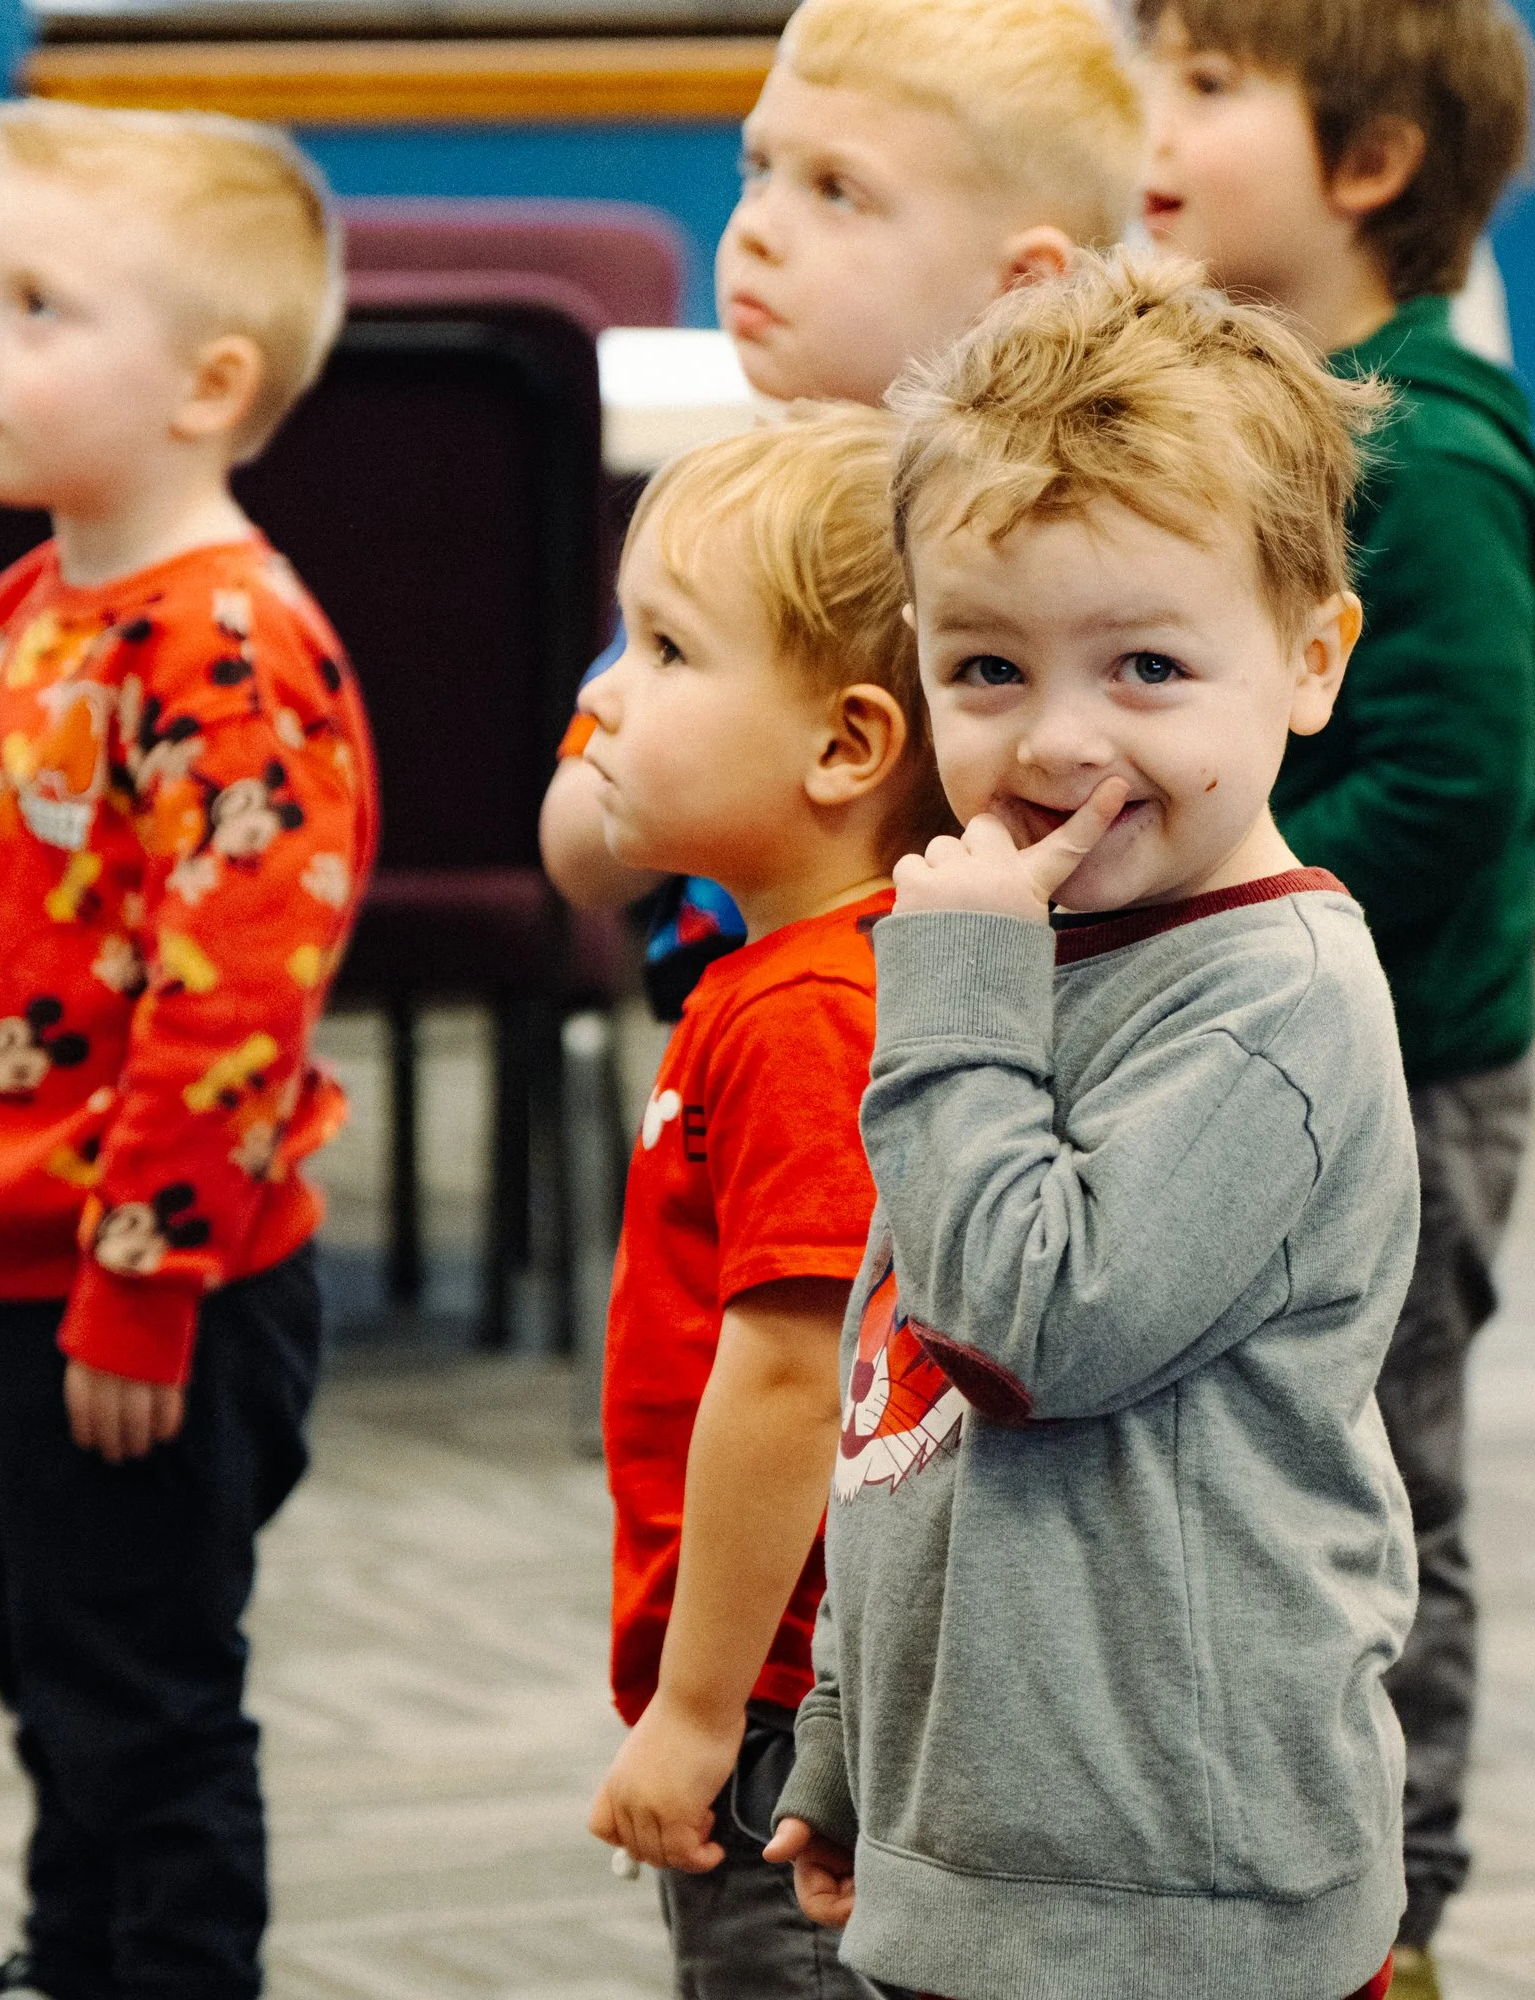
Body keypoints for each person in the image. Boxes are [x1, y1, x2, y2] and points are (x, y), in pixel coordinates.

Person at [760, 250, 1415, 2000]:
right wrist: (849, 1743)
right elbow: (892, 1396)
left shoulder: (1274, 1007)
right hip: (983, 1862)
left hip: (1174, 1911)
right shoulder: (1011, 962)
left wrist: (953, 1006)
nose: (1057, 741)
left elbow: (1028, 1332)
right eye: (985, 668)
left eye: (1144, 665)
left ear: (1307, 659)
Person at [0, 100, 375, 2000]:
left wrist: (136, 1281)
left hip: (150, 1290)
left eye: (36, 305)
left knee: (152, 1704)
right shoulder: (27, 610)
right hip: (2, 1267)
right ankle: (70, 1956)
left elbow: (233, 997)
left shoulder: (228, 648)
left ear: (208, 383)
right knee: (55, 1678)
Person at [1135, 5, 1535, 1988]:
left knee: (1373, 1493)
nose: (1151, 118)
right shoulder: (1258, 398)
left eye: (1207, 87)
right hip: (1261, 1051)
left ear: (1369, 166)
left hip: (1393, 1083)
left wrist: (1220, 924)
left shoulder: (1428, 445)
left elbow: (1452, 780)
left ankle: (1386, 1908)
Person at [539, 0, 1141, 1022]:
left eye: (837, 192)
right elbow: (575, 846)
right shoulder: (727, 516)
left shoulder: (1075, 548)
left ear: (1022, 284)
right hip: (745, 1035)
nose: (760, 230)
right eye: (758, 169)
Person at [580, 409, 954, 2000]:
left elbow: (799, 1378)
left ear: (848, 747)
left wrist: (698, 1707)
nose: (601, 697)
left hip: (784, 1712)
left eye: (666, 652)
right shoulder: (780, 974)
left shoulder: (811, 1010)